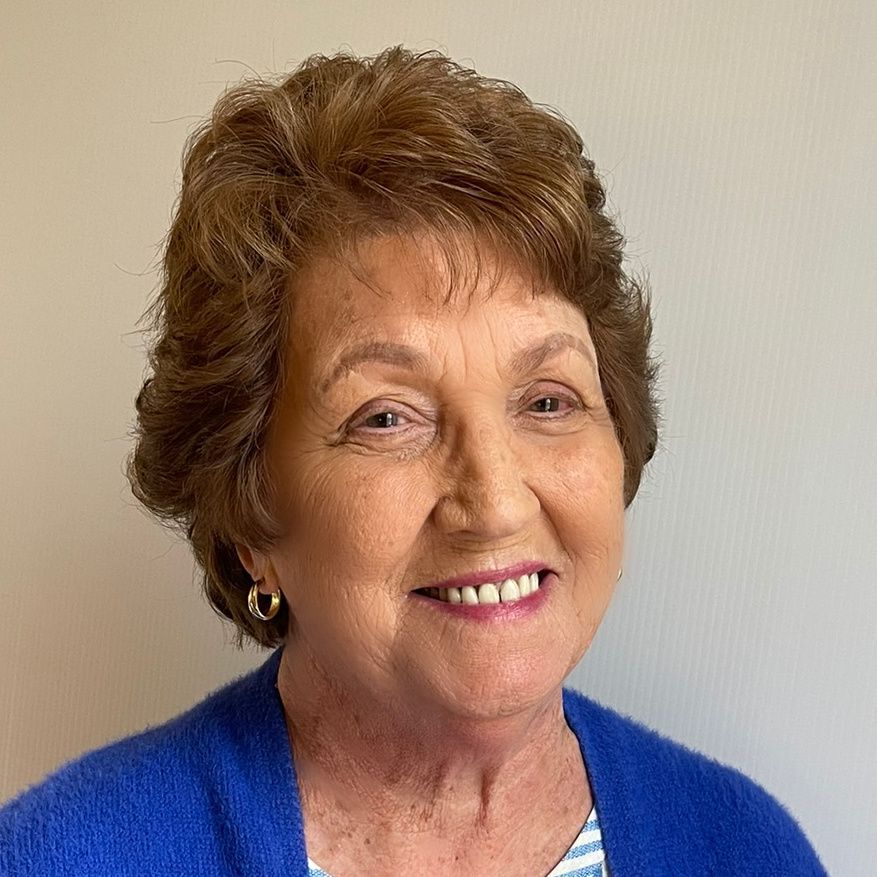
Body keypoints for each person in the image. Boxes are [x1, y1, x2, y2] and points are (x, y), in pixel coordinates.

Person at [0, 46, 827, 876]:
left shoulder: (744, 848)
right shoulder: (60, 856)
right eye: (387, 417)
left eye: (547, 400)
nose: (497, 502)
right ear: (249, 513)